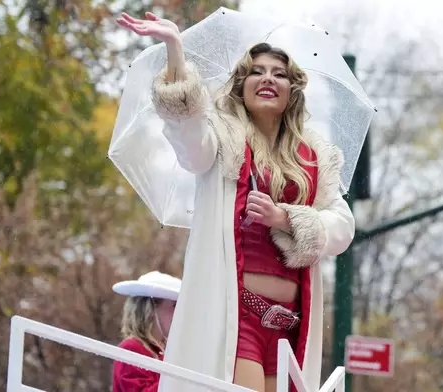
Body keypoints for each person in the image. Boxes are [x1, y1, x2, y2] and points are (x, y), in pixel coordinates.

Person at [116, 12, 355, 392]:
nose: (267, 79)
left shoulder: (315, 157)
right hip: (235, 317)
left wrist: (287, 218)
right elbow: (191, 148)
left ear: (292, 90)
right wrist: (176, 51)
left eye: (279, 73)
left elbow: (342, 228)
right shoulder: (222, 140)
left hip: (291, 324)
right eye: (257, 71)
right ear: (241, 86)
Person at [111, 271, 181, 392]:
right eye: (175, 306)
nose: (180, 313)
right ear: (151, 310)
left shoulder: (165, 351)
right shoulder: (131, 349)